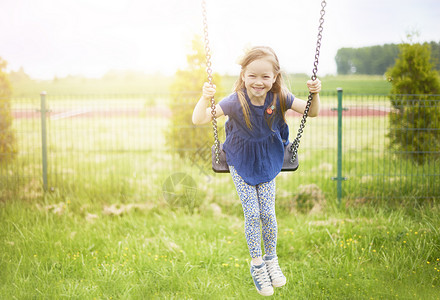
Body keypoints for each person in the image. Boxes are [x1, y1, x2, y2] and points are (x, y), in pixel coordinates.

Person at [192, 46, 321, 296]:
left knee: (268, 214)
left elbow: (311, 112)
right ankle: (257, 264)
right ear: (243, 76)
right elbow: (199, 119)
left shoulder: (280, 97)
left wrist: (316, 94)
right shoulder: (234, 101)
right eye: (252, 76)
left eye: (265, 76)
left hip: (269, 158)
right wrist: (203, 96)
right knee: (252, 215)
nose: (258, 82)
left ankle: (271, 259)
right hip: (239, 159)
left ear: (275, 77)